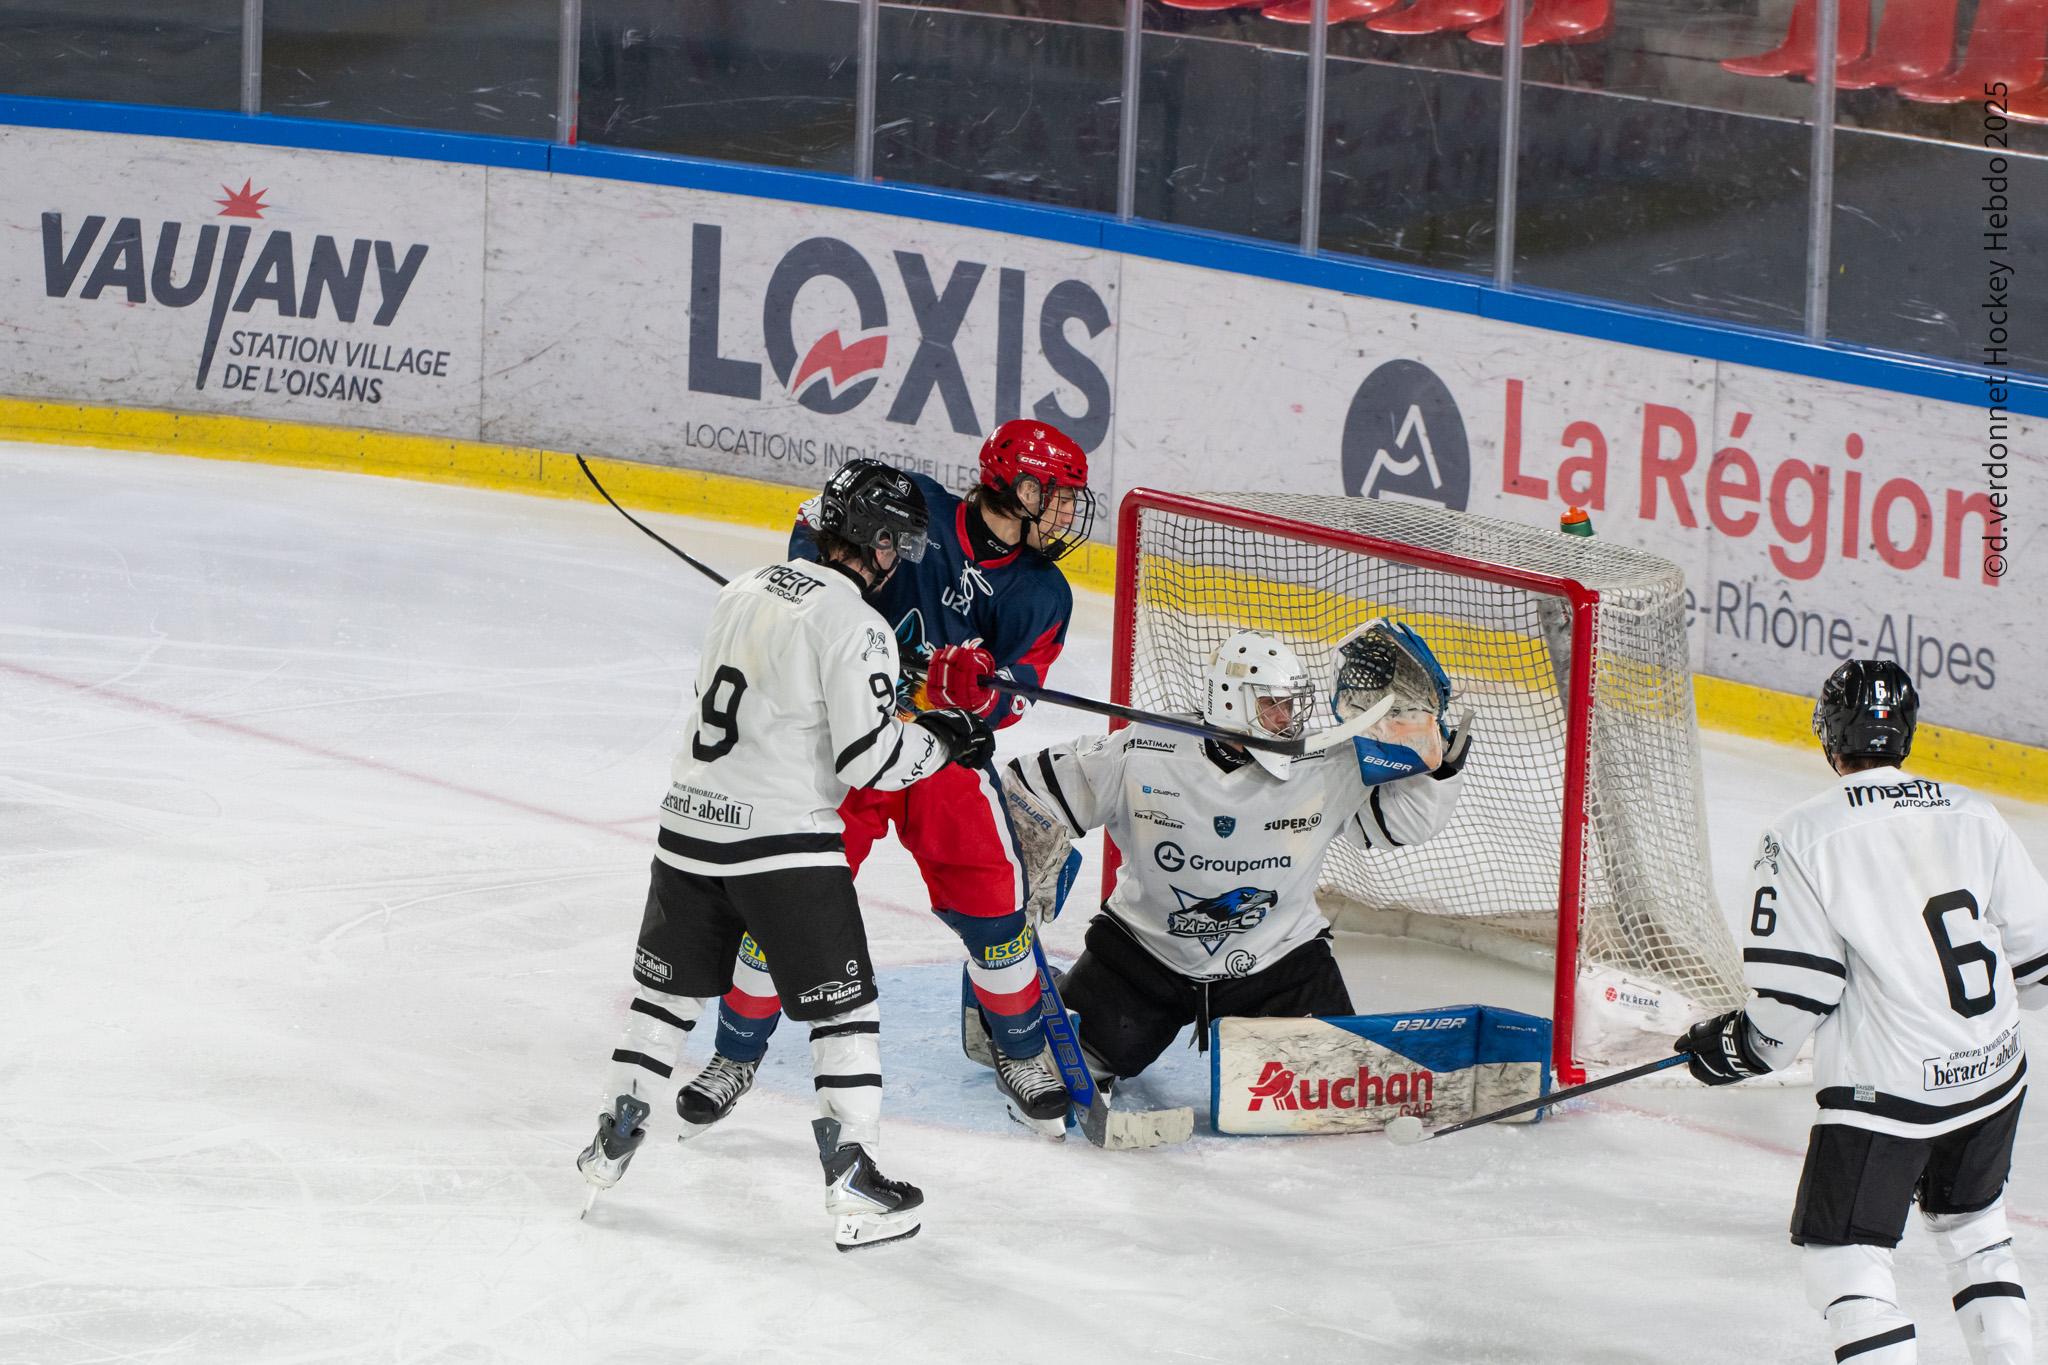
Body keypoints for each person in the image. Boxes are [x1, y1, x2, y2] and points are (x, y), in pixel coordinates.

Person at [574, 459, 994, 1252]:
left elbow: (780, 689)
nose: (898, 559)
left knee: (664, 999)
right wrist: (944, 738)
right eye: (896, 544)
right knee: (843, 1009)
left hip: (689, 829)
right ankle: (855, 1176)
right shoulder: (857, 624)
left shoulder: (740, 589)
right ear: (872, 540)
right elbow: (868, 761)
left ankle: (612, 1133)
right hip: (783, 846)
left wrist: (883, 677)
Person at [678, 420, 1094, 1140]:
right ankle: (733, 1056)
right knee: (786, 902)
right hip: (854, 741)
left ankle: (1022, 1053)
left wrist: (973, 693)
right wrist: (835, 611)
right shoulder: (914, 503)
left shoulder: (1042, 592)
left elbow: (1015, 694)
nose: (1063, 513)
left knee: (995, 907)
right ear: (1012, 482)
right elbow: (814, 529)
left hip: (941, 756)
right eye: (1052, 494)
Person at [1677, 659, 2048, 1363]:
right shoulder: (1974, 811)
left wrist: (1736, 1047)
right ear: (1906, 732)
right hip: (1994, 1074)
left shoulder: (1801, 834)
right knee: (1977, 1237)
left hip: (1888, 1095)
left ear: (1828, 734)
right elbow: (2040, 965)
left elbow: (1798, 997)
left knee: (1845, 1261)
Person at [999, 621, 1471, 1086]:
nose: (1287, 719)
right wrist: (1025, 872)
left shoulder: (1326, 765)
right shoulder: (1144, 750)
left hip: (1278, 963)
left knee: (1327, 1082)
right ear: (1230, 700)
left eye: (1291, 704)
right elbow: (1031, 786)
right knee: (1072, 1064)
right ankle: (1049, 998)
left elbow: (1399, 827)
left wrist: (1433, 767)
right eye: (1272, 705)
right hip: (1145, 955)